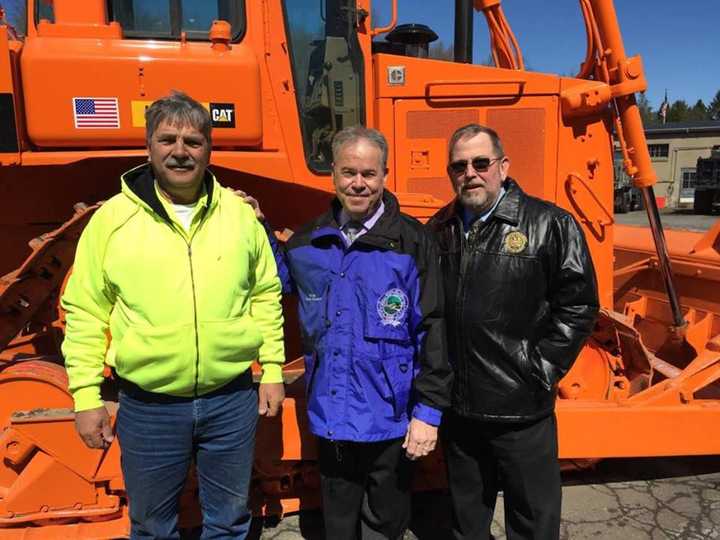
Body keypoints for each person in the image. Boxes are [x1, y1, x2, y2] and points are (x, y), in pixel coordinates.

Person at [61, 91, 286, 539]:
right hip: (150, 406)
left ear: (209, 149)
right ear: (148, 146)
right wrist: (86, 396)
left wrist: (275, 367)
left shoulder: (240, 217)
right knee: (152, 528)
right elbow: (85, 310)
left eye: (193, 141)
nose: (180, 151)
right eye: (168, 139)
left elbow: (265, 294)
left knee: (229, 523)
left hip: (230, 399)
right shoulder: (112, 222)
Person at [243, 126, 452, 539]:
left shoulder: (412, 242)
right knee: (337, 524)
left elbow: (433, 326)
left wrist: (427, 413)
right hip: (332, 415)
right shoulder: (308, 243)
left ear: (385, 175)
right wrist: (260, 230)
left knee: (385, 523)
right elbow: (279, 280)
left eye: (369, 174)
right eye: (349, 172)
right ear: (333, 175)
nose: (359, 183)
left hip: (391, 418)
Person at [428, 124, 599, 540]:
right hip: (461, 410)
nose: (470, 172)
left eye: (481, 162)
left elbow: (578, 306)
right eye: (459, 165)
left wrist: (539, 369)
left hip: (521, 409)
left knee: (533, 520)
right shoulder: (439, 228)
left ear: (502, 167)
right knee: (467, 520)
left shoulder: (551, 224)